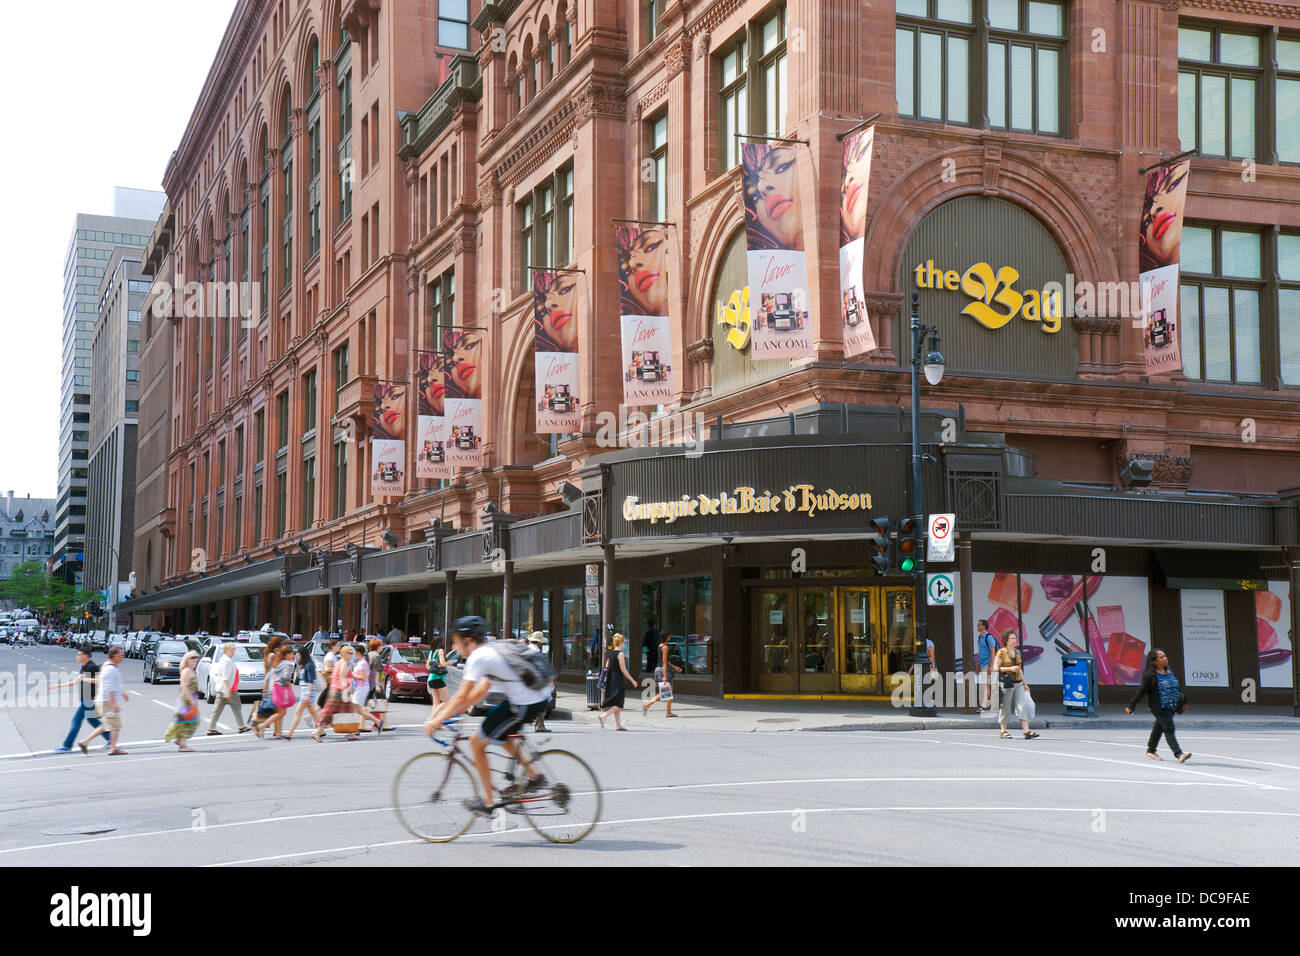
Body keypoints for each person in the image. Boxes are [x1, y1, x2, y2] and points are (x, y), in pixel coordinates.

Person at [425, 616, 550, 815]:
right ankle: (535, 775)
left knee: (476, 742)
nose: (454, 646)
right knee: (500, 734)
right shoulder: (488, 651)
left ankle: (489, 802)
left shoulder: (478, 657)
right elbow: (480, 692)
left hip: (525, 703)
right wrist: (453, 710)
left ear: (467, 640)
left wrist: (436, 720)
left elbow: (461, 697)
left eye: (456, 641)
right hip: (532, 699)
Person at [1126, 649, 1191, 763]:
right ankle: (1179, 754)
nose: (1165, 658)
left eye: (1165, 656)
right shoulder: (1150, 675)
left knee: (1159, 728)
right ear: (1154, 661)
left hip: (1172, 706)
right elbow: (1142, 691)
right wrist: (1131, 706)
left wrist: (1184, 701)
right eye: (1161, 657)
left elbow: (1176, 687)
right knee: (1169, 729)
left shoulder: (1169, 671)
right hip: (1159, 707)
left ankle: (1151, 750)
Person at [53, 648, 106, 752]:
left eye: (79, 654)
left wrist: (85, 679)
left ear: (86, 655)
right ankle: (110, 738)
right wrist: (58, 686)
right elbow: (74, 682)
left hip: (89, 699)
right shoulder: (84, 666)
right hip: (86, 699)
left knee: (76, 721)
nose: (77, 656)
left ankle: (67, 745)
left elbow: (98, 680)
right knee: (92, 720)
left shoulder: (92, 667)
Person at [79, 646, 129, 755]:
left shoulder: (108, 666)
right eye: (121, 655)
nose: (123, 657)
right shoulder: (111, 669)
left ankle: (85, 742)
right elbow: (109, 688)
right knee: (115, 725)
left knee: (107, 725)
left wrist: (122, 693)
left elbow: (113, 685)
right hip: (107, 701)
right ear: (114, 656)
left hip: (103, 700)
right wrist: (113, 703)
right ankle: (113, 748)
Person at [993, 631, 1039, 740]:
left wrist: (1025, 683)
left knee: (1021, 706)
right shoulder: (1001, 652)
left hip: (1018, 683)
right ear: (1006, 640)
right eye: (1012, 638)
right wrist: (1009, 669)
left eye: (1015, 638)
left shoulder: (1018, 652)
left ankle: (1026, 731)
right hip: (1007, 683)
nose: (1014, 640)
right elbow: (995, 668)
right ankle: (1003, 731)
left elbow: (1019, 669)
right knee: (1006, 707)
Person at [312, 643, 359, 742]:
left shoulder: (340, 662)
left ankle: (351, 733)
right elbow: (342, 679)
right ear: (344, 654)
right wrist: (344, 693)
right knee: (330, 712)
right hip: (339, 691)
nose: (351, 655)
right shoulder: (343, 664)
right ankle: (317, 731)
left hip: (336, 690)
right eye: (350, 653)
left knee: (342, 711)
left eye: (352, 653)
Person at [207, 642, 251, 735]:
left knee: (217, 709)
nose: (234, 651)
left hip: (221, 689)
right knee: (236, 707)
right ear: (226, 650)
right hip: (229, 689)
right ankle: (241, 727)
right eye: (232, 649)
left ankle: (211, 728)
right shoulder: (227, 661)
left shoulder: (223, 659)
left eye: (234, 649)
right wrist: (228, 690)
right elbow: (226, 677)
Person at [253, 646, 296, 739]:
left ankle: (277, 732)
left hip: (275, 689)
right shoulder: (288, 664)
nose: (293, 655)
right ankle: (262, 726)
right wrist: (288, 682)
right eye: (292, 653)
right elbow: (285, 677)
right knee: (281, 713)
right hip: (281, 690)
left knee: (279, 712)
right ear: (287, 654)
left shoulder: (278, 663)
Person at [597, 633, 638, 731]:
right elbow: (624, 670)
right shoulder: (620, 654)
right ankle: (604, 716)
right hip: (617, 679)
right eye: (623, 642)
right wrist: (632, 680)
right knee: (619, 703)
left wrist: (603, 680)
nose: (624, 644)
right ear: (621, 642)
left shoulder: (611, 654)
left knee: (616, 702)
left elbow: (606, 667)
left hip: (611, 679)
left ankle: (618, 725)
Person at [164, 651, 201, 752]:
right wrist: (191, 700)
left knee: (187, 722)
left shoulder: (191, 670)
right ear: (187, 660)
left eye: (196, 658)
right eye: (192, 658)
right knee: (188, 722)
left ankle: (180, 741)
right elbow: (184, 687)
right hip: (186, 700)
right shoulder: (186, 671)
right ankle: (182, 745)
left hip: (190, 699)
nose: (195, 660)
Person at [284, 645, 322, 740]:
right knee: (312, 712)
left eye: (299, 654)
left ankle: (290, 733)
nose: (297, 656)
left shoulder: (309, 665)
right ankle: (321, 729)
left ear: (303, 654)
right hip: (305, 692)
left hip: (307, 692)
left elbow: (310, 681)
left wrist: (308, 694)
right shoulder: (306, 664)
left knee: (298, 712)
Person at [644, 635, 684, 718]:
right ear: (667, 637)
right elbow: (664, 662)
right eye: (669, 636)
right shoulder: (665, 647)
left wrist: (675, 667)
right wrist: (665, 676)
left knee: (667, 692)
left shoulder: (660, 646)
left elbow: (665, 660)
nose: (669, 637)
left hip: (658, 670)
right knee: (666, 692)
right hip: (663, 670)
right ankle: (648, 705)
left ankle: (668, 712)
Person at [349, 642, 384, 734]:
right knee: (358, 709)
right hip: (359, 687)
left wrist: (352, 675)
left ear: (358, 653)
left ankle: (356, 729)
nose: (353, 654)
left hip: (361, 688)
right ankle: (377, 722)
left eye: (354, 653)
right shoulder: (360, 662)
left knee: (356, 709)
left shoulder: (363, 663)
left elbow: (363, 678)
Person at [976, 620, 1000, 711]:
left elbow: (992, 651)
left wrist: (991, 666)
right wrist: (978, 663)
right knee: (986, 685)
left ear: (983, 626)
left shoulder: (988, 637)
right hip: (983, 665)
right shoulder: (980, 637)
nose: (977, 626)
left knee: (991, 686)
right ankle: (986, 705)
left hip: (989, 665)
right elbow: (980, 652)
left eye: (979, 625)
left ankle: (989, 706)